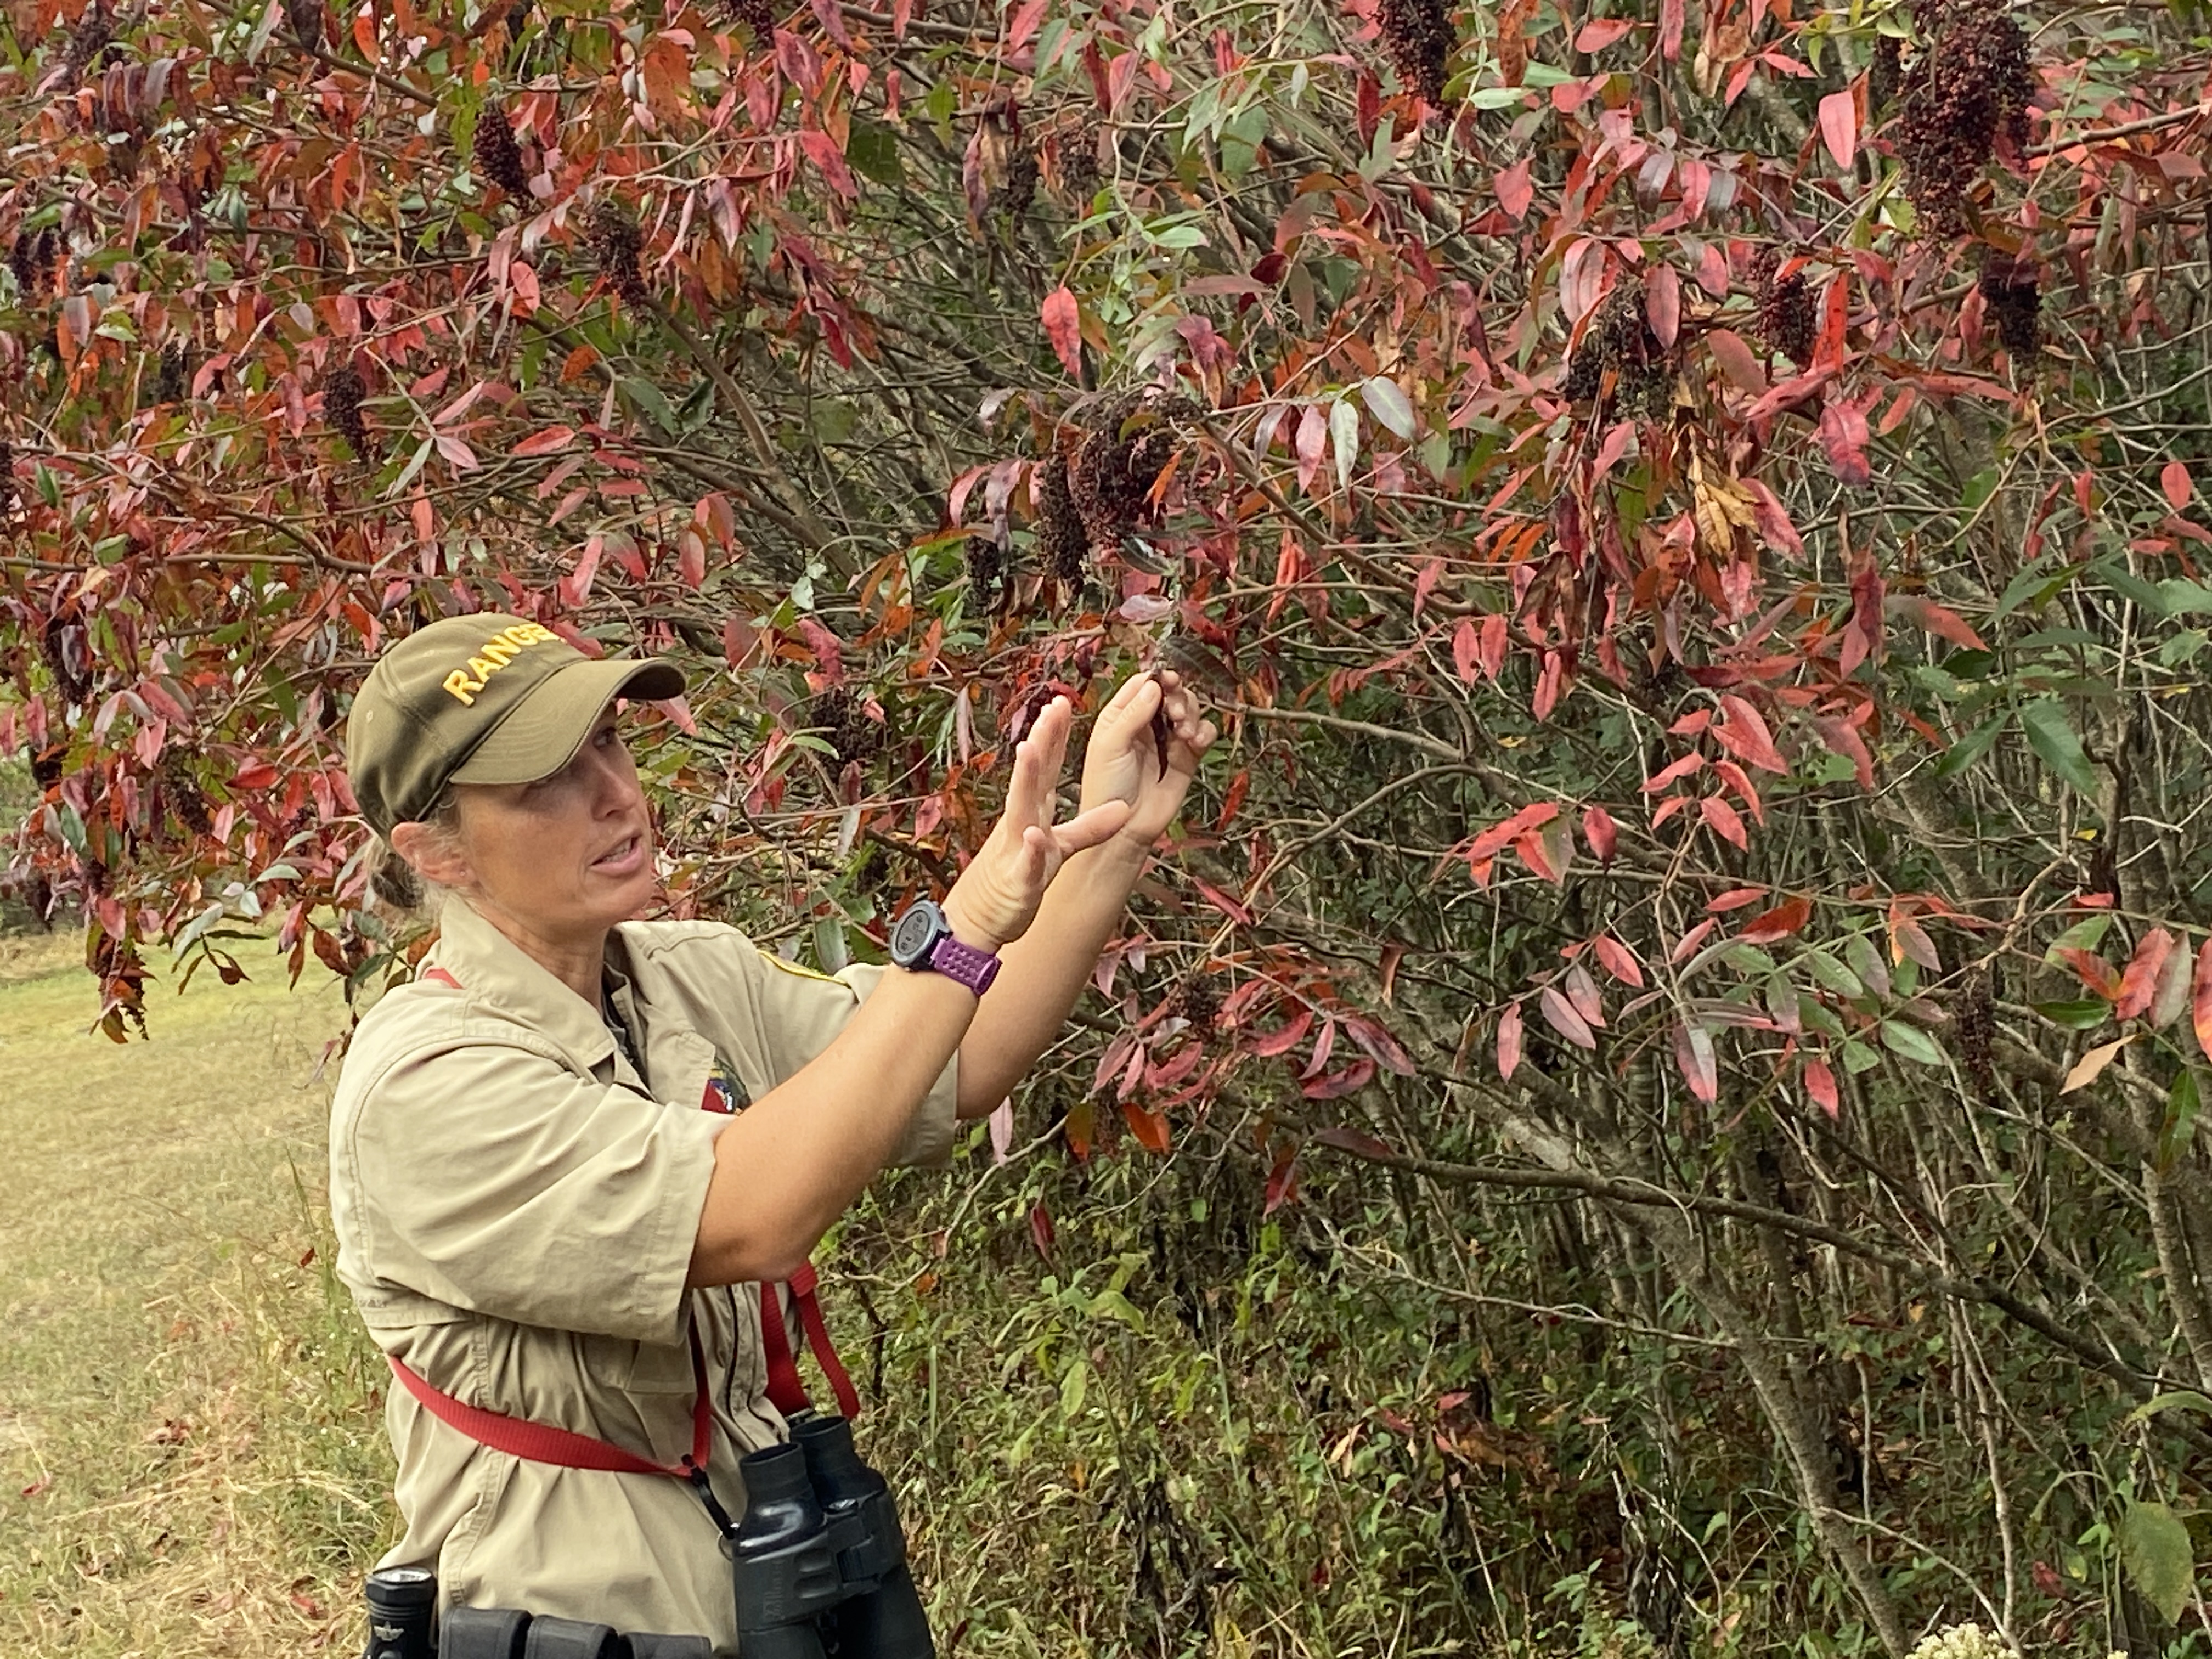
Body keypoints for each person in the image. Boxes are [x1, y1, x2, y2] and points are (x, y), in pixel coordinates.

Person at [329, 612, 1216, 1651]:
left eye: (608, 742)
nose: (615, 794)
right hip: (589, 1615)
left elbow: (952, 1059)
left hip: (772, 1581)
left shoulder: (687, 972)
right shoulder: (423, 1083)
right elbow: (752, 1213)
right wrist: (972, 916)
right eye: (544, 783)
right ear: (434, 851)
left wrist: (1112, 835)